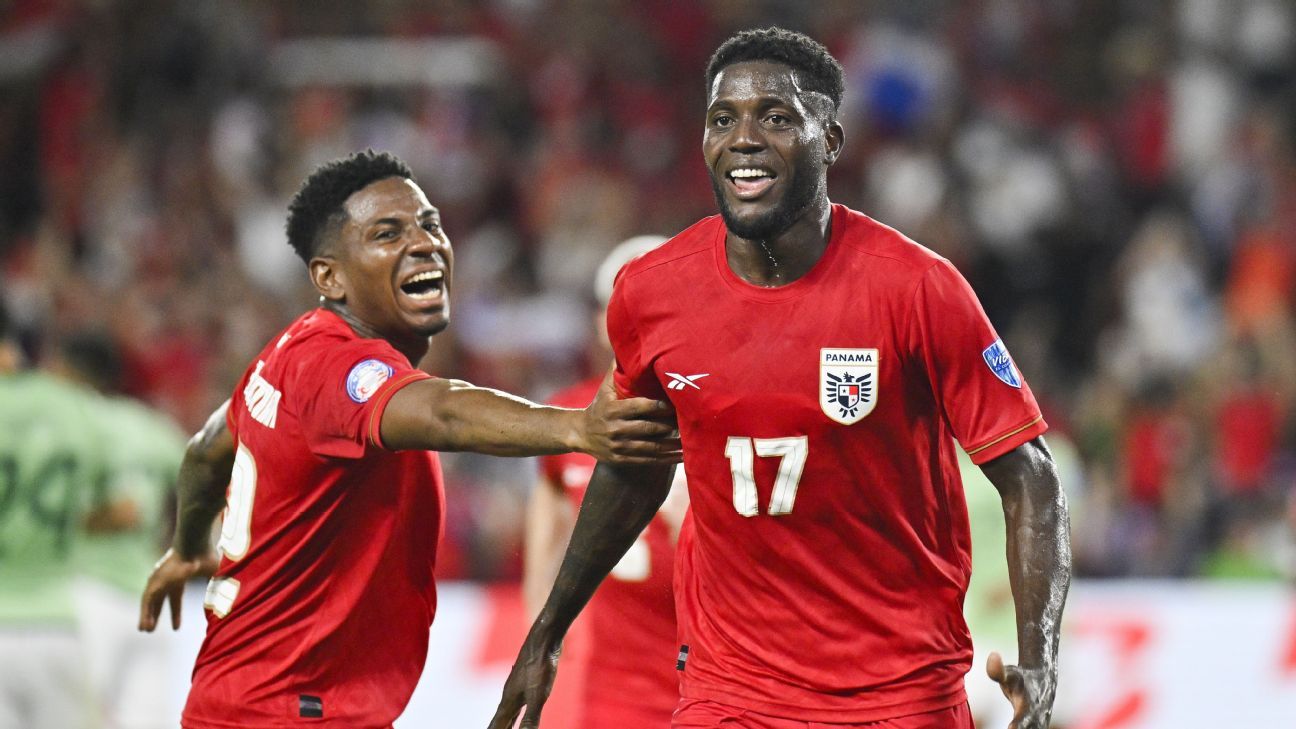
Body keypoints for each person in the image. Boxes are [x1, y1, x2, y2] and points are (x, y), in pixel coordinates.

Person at [490, 27, 1071, 729]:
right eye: (722, 119)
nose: (743, 138)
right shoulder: (652, 293)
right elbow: (633, 466)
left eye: (775, 117)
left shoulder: (918, 288)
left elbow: (1030, 475)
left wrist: (1040, 657)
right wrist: (548, 632)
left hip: (898, 688)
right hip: (730, 689)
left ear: (830, 141)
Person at [136, 150, 681, 729]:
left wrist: (188, 547)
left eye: (429, 224)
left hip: (245, 702)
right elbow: (442, 412)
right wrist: (576, 428)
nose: (424, 244)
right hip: (295, 710)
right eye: (387, 234)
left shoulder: (285, 355)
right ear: (329, 277)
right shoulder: (334, 365)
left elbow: (206, 451)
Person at [523, 236, 689, 729]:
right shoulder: (568, 420)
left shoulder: (728, 417)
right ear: (602, 320)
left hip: (716, 687)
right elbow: (543, 559)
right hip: (616, 697)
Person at [0, 312, 186, 729]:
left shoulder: (59, 414)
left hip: (83, 593)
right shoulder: (149, 425)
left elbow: (120, 512)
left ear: (62, 364)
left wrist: (66, 520)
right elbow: (160, 499)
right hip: (149, 596)